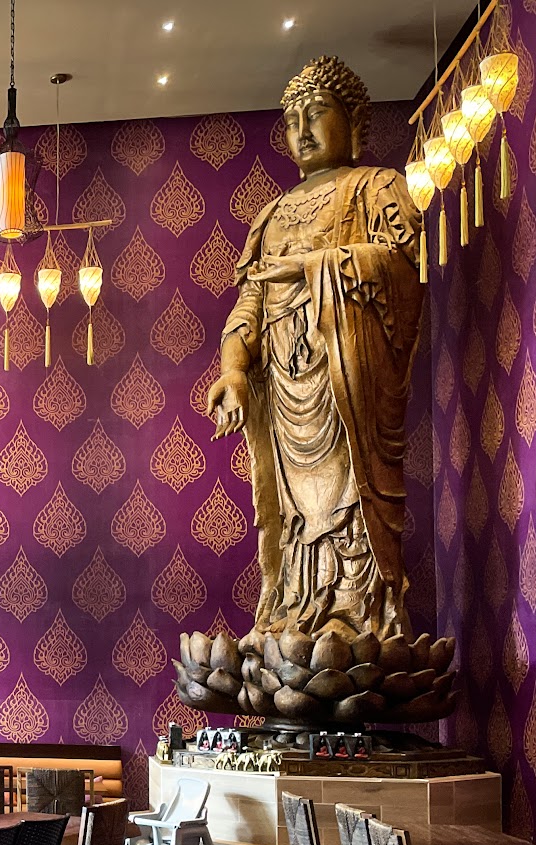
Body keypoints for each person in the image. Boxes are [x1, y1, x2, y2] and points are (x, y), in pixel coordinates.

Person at [204, 56, 425, 646]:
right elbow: (251, 299)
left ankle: (361, 617)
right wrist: (233, 369)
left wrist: (312, 267)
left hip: (348, 376)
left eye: (317, 112)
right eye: (292, 119)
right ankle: (298, 609)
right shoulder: (271, 215)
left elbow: (404, 269)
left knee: (349, 498)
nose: (301, 130)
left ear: (352, 123)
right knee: (297, 513)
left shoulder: (376, 187)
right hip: (284, 384)